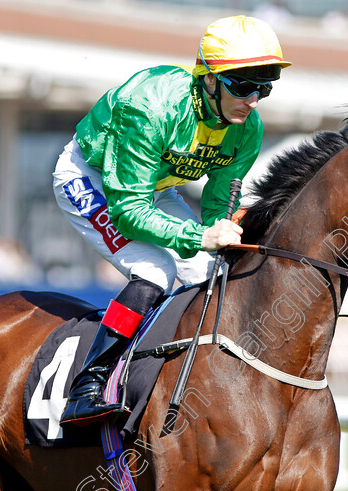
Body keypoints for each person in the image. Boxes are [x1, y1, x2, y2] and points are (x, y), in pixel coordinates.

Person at [52, 15, 291, 427]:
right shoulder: (150, 106)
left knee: (209, 271)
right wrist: (199, 234)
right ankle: (87, 386)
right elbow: (128, 210)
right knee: (155, 269)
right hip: (91, 179)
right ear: (210, 79)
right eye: (243, 85)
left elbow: (217, 205)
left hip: (157, 189)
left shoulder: (247, 130)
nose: (253, 99)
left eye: (263, 86)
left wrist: (220, 233)